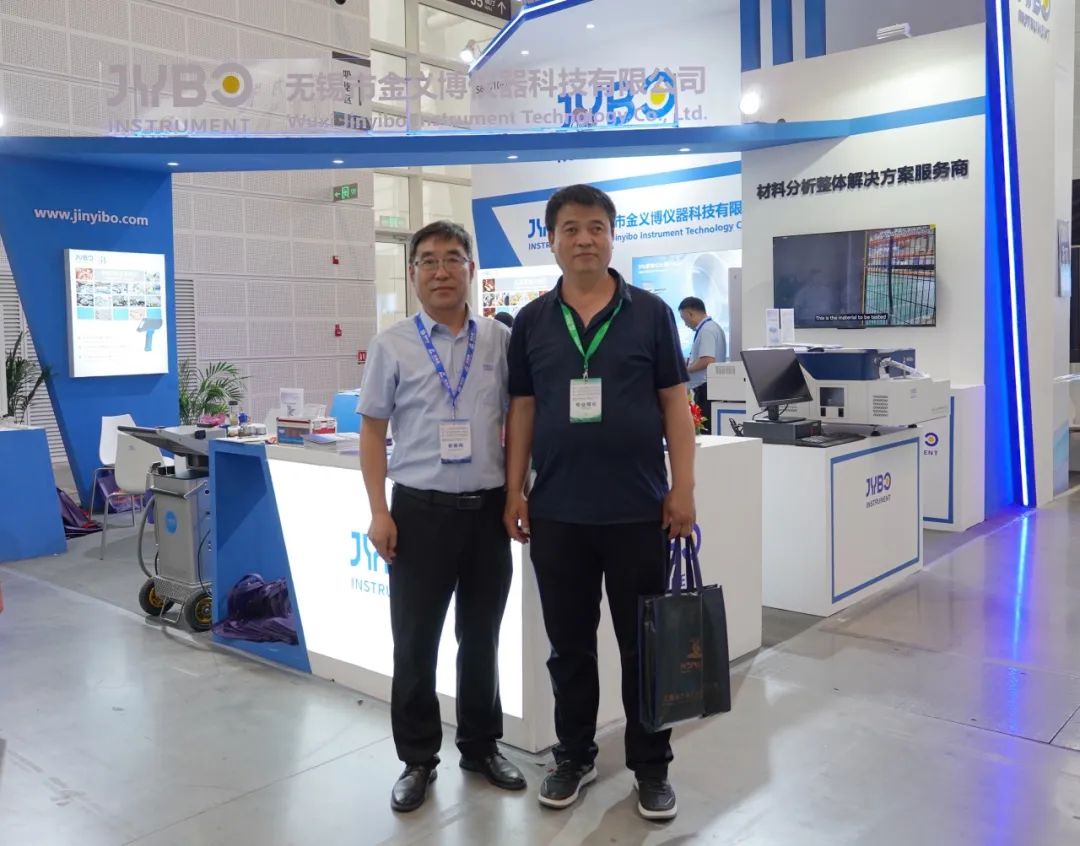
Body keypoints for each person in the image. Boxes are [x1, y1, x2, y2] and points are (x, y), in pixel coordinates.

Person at [504, 185, 696, 821]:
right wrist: (514, 489)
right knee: (569, 647)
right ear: (551, 240)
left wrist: (683, 487)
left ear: (612, 236)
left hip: (639, 510)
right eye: (570, 228)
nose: (583, 239)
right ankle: (574, 755)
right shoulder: (532, 321)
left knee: (644, 645)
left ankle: (651, 767)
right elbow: (522, 410)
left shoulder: (651, 313)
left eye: (595, 227)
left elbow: (675, 404)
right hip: (558, 513)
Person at [358, 220, 526, 813]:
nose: (441, 271)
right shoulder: (392, 344)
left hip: (486, 514)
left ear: (471, 269)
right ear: (412, 274)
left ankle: (480, 747)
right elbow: (372, 432)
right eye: (427, 261)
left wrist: (517, 492)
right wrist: (378, 511)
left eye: (453, 259)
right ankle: (417, 759)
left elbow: (520, 419)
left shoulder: (501, 341)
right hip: (418, 514)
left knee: (480, 638)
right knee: (415, 643)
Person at [678, 296, 727, 427]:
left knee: (706, 428)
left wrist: (684, 370)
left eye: (684, 318)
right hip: (710, 388)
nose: (685, 324)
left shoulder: (706, 330)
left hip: (706, 389)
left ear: (690, 314)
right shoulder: (713, 327)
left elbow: (707, 360)